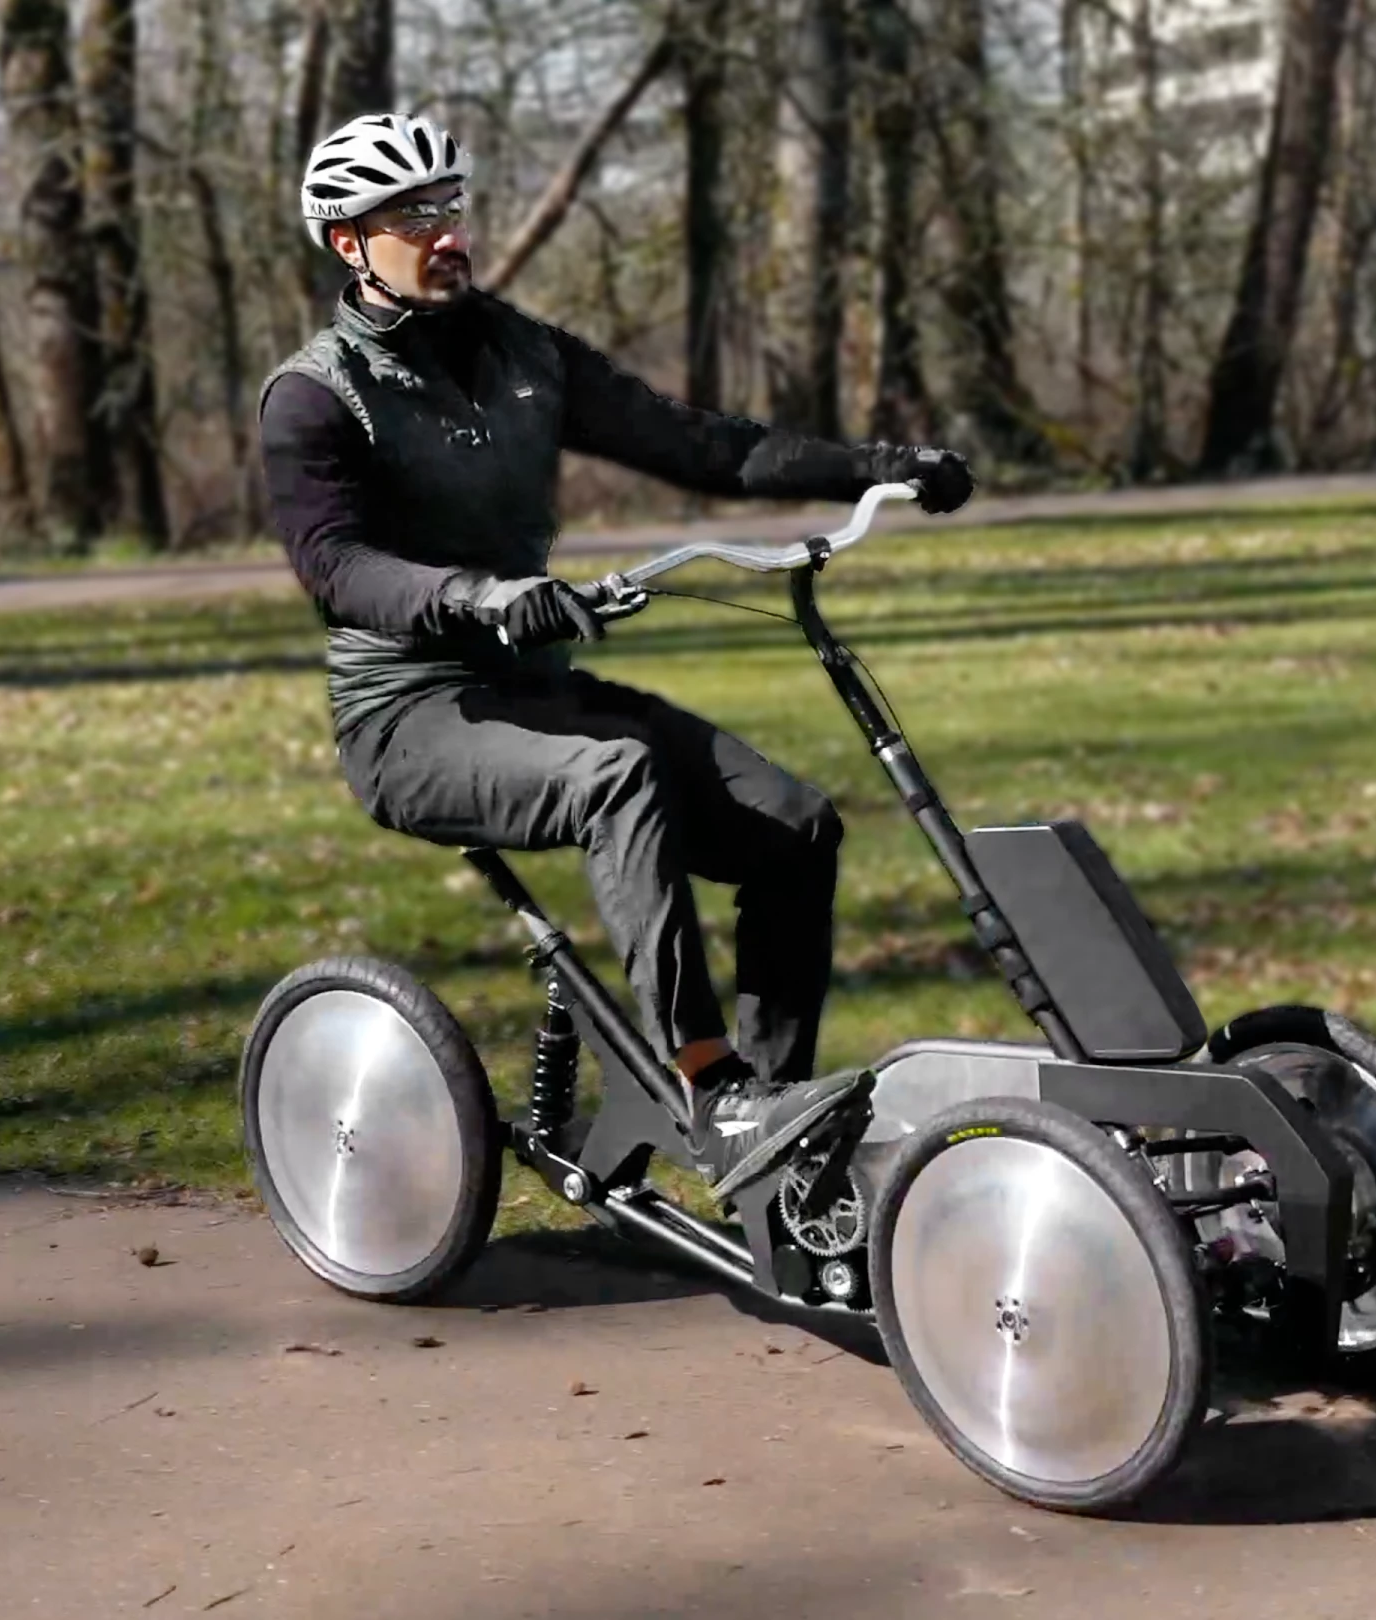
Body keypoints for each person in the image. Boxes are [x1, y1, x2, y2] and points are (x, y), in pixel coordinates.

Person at [258, 112, 975, 1192]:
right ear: (348, 243)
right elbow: (335, 564)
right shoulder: (314, 396)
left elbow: (702, 444)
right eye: (412, 216)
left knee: (796, 826)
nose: (448, 232)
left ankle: (775, 1141)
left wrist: (879, 464)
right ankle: (712, 1088)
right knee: (620, 774)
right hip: (408, 716)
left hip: (533, 693)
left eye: (451, 205)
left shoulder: (522, 353)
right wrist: (478, 597)